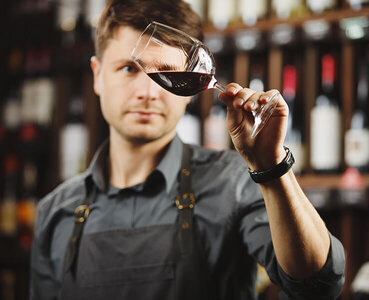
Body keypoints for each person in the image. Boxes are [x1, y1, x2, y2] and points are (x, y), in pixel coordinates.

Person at [30, 0, 345, 299]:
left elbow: (317, 286)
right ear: (97, 75)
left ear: (189, 88)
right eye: (128, 69)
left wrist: (272, 167)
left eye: (165, 71)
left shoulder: (235, 182)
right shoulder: (54, 211)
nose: (147, 91)